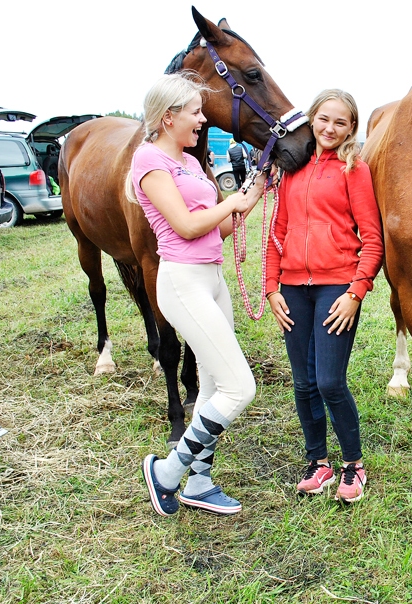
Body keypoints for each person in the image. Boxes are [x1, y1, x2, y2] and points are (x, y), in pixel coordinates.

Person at [133, 72, 266, 517]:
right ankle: (168, 473)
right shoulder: (149, 161)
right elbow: (187, 226)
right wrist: (230, 203)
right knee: (239, 387)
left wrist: (256, 192)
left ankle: (200, 482)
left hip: (211, 277)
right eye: (194, 111)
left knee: (212, 386)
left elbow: (219, 228)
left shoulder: (191, 163)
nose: (202, 119)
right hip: (182, 280)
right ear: (168, 117)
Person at [265, 89, 383, 503]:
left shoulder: (355, 170)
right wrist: (270, 288)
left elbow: (372, 239)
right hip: (294, 289)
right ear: (311, 119)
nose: (330, 129)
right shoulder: (290, 170)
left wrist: (357, 290)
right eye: (324, 119)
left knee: (330, 381)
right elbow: (277, 233)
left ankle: (354, 464)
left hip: (337, 287)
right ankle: (318, 463)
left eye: (341, 122)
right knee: (303, 383)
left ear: (351, 128)